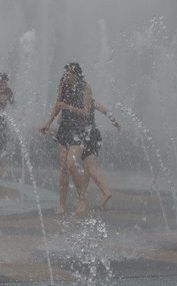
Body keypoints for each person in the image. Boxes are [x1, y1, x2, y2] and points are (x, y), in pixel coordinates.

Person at [40, 62, 93, 216]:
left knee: (71, 164)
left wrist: (68, 107)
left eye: (69, 74)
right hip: (65, 129)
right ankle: (62, 204)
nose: (66, 76)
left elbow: (86, 112)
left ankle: (82, 199)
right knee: (63, 168)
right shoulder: (63, 86)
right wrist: (48, 123)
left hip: (79, 129)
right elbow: (57, 106)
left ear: (77, 75)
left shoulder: (85, 88)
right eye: (65, 74)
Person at [82, 98, 122, 208]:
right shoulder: (89, 100)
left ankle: (105, 192)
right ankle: (82, 197)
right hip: (94, 134)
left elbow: (60, 120)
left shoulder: (73, 101)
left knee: (90, 167)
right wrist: (114, 121)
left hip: (85, 135)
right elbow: (104, 110)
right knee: (87, 168)